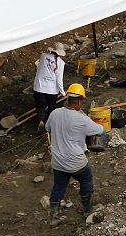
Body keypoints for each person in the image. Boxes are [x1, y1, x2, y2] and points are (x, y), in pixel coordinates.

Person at [45, 83, 105, 227]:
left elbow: (47, 128)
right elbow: (101, 130)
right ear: (79, 102)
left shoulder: (55, 113)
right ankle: (88, 210)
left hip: (58, 161)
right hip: (75, 162)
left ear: (68, 99)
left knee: (59, 186)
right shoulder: (82, 119)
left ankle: (53, 217)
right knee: (86, 178)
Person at [33, 42, 67, 130]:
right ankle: (50, 124)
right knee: (52, 107)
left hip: (39, 87)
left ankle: (41, 120)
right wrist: (63, 93)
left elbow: (38, 66)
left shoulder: (43, 56)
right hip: (52, 90)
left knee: (40, 106)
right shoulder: (61, 63)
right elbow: (59, 80)